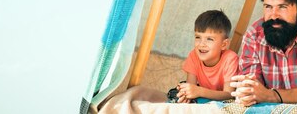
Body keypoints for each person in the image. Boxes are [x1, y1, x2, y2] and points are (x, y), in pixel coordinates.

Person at [99, 10, 237, 112]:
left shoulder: (230, 59)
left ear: (224, 45)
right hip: (200, 95)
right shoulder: (194, 56)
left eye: (209, 39)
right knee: (176, 93)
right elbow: (190, 87)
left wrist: (199, 91)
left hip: (220, 100)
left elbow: (229, 94)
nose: (201, 44)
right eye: (197, 37)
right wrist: (186, 94)